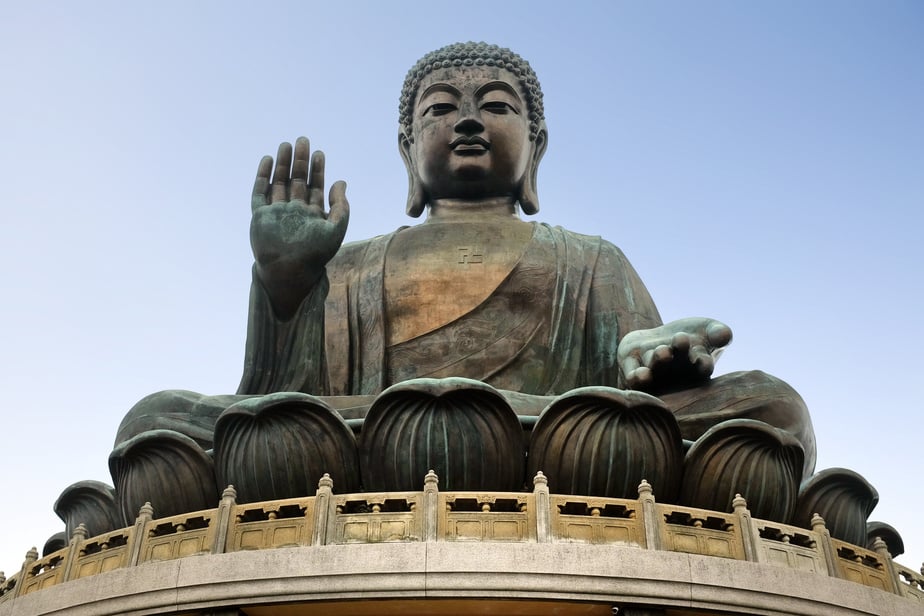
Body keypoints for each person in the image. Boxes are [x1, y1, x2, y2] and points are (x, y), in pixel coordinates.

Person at [113, 42, 814, 522]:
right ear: (406, 148)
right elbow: (277, 401)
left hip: (554, 440)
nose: (471, 119)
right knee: (153, 421)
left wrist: (654, 362)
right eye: (442, 108)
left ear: (535, 144)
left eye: (498, 106)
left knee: (773, 408)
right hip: (367, 438)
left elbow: (636, 389)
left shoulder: (588, 258)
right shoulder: (351, 262)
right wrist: (286, 284)